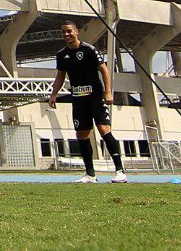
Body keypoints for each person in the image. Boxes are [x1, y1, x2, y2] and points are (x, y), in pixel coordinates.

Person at [49, 20, 127, 183]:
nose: (66, 34)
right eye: (63, 32)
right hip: (78, 99)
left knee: (103, 129)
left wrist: (108, 92)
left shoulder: (89, 50)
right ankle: (90, 174)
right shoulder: (61, 54)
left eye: (69, 31)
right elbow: (60, 76)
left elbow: (104, 70)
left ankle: (120, 171)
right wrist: (54, 94)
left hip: (95, 97)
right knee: (82, 134)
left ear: (76, 31)